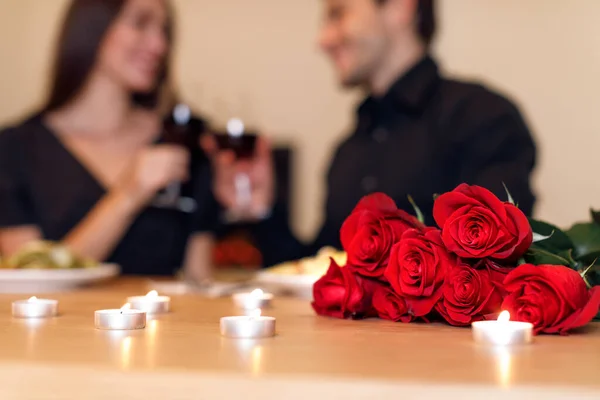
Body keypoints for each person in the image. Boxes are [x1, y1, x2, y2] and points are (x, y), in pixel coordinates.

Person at [207, 0, 537, 267]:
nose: (322, 40)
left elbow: (497, 263)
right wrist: (264, 212)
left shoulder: (482, 116)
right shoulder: (348, 149)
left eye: (337, 13)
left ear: (399, 7)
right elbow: (322, 268)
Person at [0, 0, 217, 281]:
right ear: (92, 26)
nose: (159, 45)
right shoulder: (15, 149)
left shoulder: (183, 139)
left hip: (164, 324)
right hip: (61, 326)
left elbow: (199, 279)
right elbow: (34, 283)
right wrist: (129, 194)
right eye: (140, 24)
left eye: (164, 31)